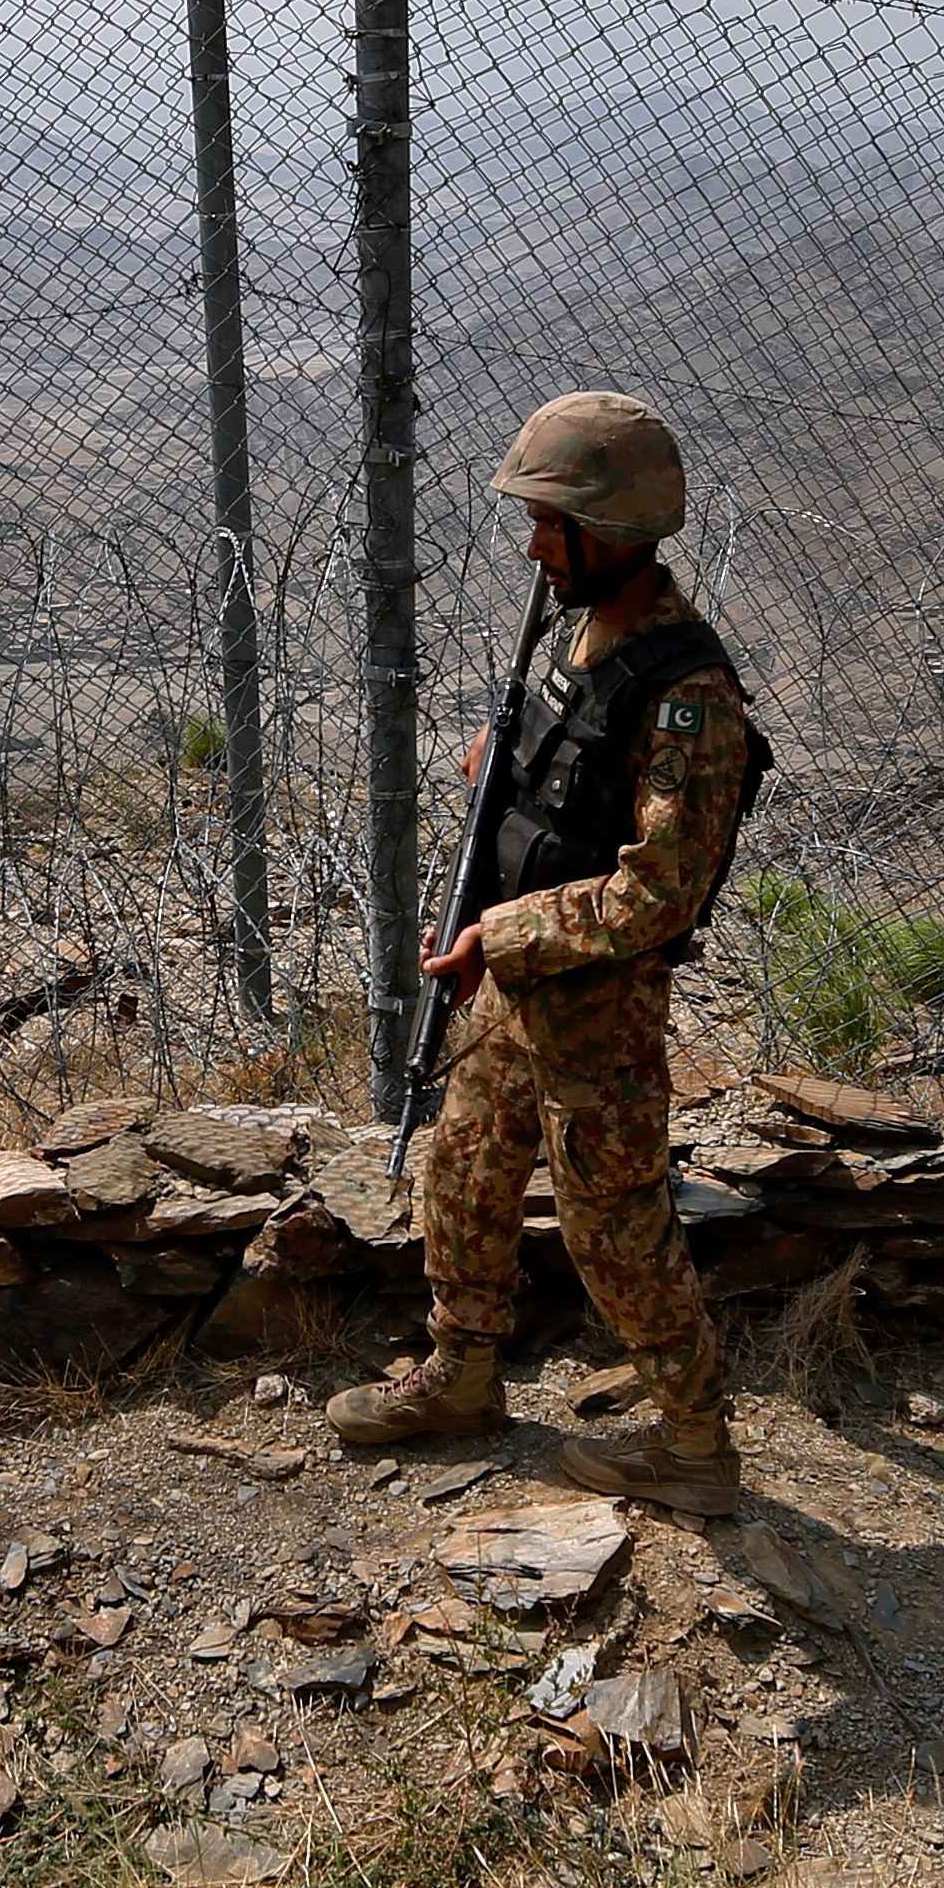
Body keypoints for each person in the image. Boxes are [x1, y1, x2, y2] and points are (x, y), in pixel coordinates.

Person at [328, 393, 772, 1514]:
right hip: (512, 992)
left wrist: (506, 931)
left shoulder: (689, 697)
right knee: (465, 1178)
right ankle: (463, 1373)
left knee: (614, 1228)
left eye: (546, 522)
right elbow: (549, 800)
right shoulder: (576, 634)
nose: (529, 544)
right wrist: (495, 794)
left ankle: (693, 1445)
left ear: (610, 529)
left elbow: (658, 894)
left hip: (596, 1013)